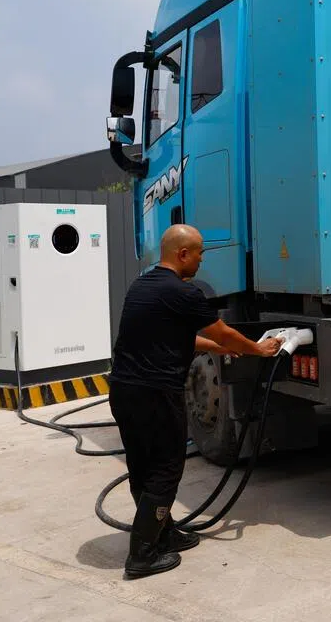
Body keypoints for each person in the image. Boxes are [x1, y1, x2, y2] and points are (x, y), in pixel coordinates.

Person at [108, 223, 282, 580]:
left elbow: (176, 339)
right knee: (166, 469)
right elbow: (223, 331)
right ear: (182, 254)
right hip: (155, 394)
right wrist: (257, 349)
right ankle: (141, 556)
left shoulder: (142, 286)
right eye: (200, 252)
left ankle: (163, 533)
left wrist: (222, 349)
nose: (202, 259)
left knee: (142, 466)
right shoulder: (183, 293)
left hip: (124, 391)